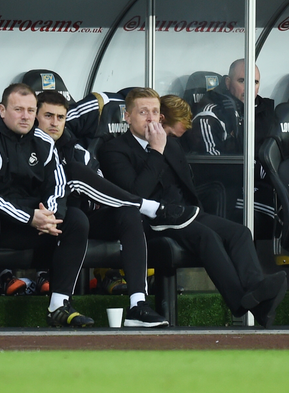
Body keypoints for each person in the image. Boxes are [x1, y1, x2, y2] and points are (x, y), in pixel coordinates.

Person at [98, 87, 287, 328]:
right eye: (143, 112)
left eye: (155, 112)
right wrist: (156, 151)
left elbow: (186, 186)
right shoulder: (114, 149)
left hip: (183, 213)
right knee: (205, 236)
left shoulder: (171, 144)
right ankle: (241, 304)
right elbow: (136, 195)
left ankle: (256, 294)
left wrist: (197, 211)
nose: (150, 118)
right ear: (127, 116)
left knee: (240, 232)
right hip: (149, 220)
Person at [0, 83, 95, 327]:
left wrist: (50, 217)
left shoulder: (44, 141)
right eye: (18, 109)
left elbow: (57, 186)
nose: (26, 116)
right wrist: (29, 218)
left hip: (13, 219)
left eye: (31, 110)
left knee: (75, 220)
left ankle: (59, 305)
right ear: (2, 110)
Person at [36, 90, 182, 327]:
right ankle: (145, 205)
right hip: (47, 218)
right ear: (36, 118)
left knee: (127, 213)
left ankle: (137, 305)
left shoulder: (77, 151)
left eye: (60, 117)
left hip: (84, 215)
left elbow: (100, 188)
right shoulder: (28, 147)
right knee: (74, 189)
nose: (54, 123)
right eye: (48, 116)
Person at [187, 59, 276, 239]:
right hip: (230, 188)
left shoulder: (268, 113)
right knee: (274, 207)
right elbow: (214, 163)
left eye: (255, 82)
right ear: (228, 83)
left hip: (263, 184)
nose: (250, 88)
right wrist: (259, 170)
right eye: (242, 81)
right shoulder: (211, 113)